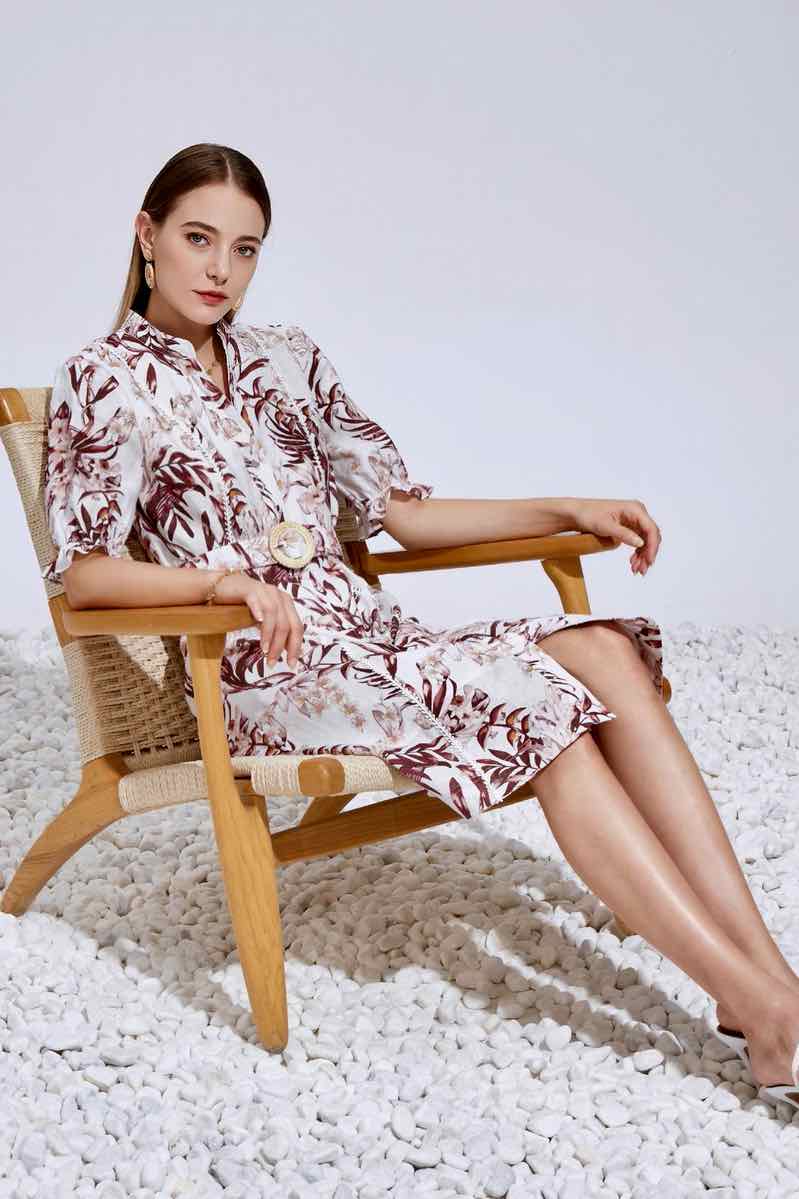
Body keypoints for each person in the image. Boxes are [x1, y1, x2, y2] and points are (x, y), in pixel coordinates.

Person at [42, 142, 799, 1105]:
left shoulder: (285, 358)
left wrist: (566, 506)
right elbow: (85, 574)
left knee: (604, 650)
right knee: (540, 714)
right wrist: (222, 583)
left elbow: (402, 513)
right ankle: (766, 1013)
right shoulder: (101, 378)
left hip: (375, 643)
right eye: (198, 239)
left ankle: (766, 982)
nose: (220, 269)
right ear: (147, 236)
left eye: (245, 248)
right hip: (262, 670)